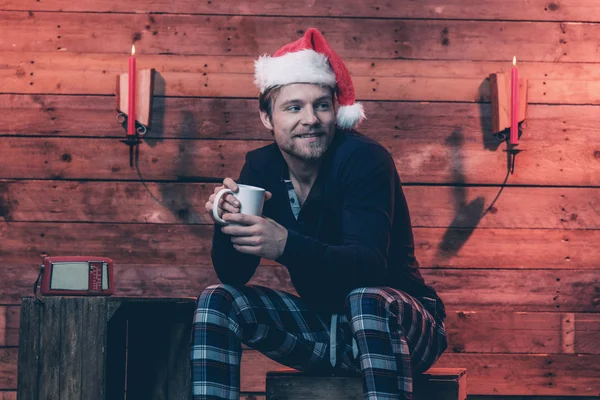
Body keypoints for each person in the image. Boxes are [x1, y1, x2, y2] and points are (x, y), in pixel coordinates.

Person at [190, 28, 448, 400]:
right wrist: (225, 220)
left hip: (404, 328)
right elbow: (233, 274)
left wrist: (285, 245)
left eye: (322, 105)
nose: (310, 119)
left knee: (367, 299)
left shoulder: (363, 159)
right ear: (267, 116)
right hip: (322, 332)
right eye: (294, 107)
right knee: (217, 300)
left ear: (335, 110)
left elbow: (369, 266)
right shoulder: (260, 168)